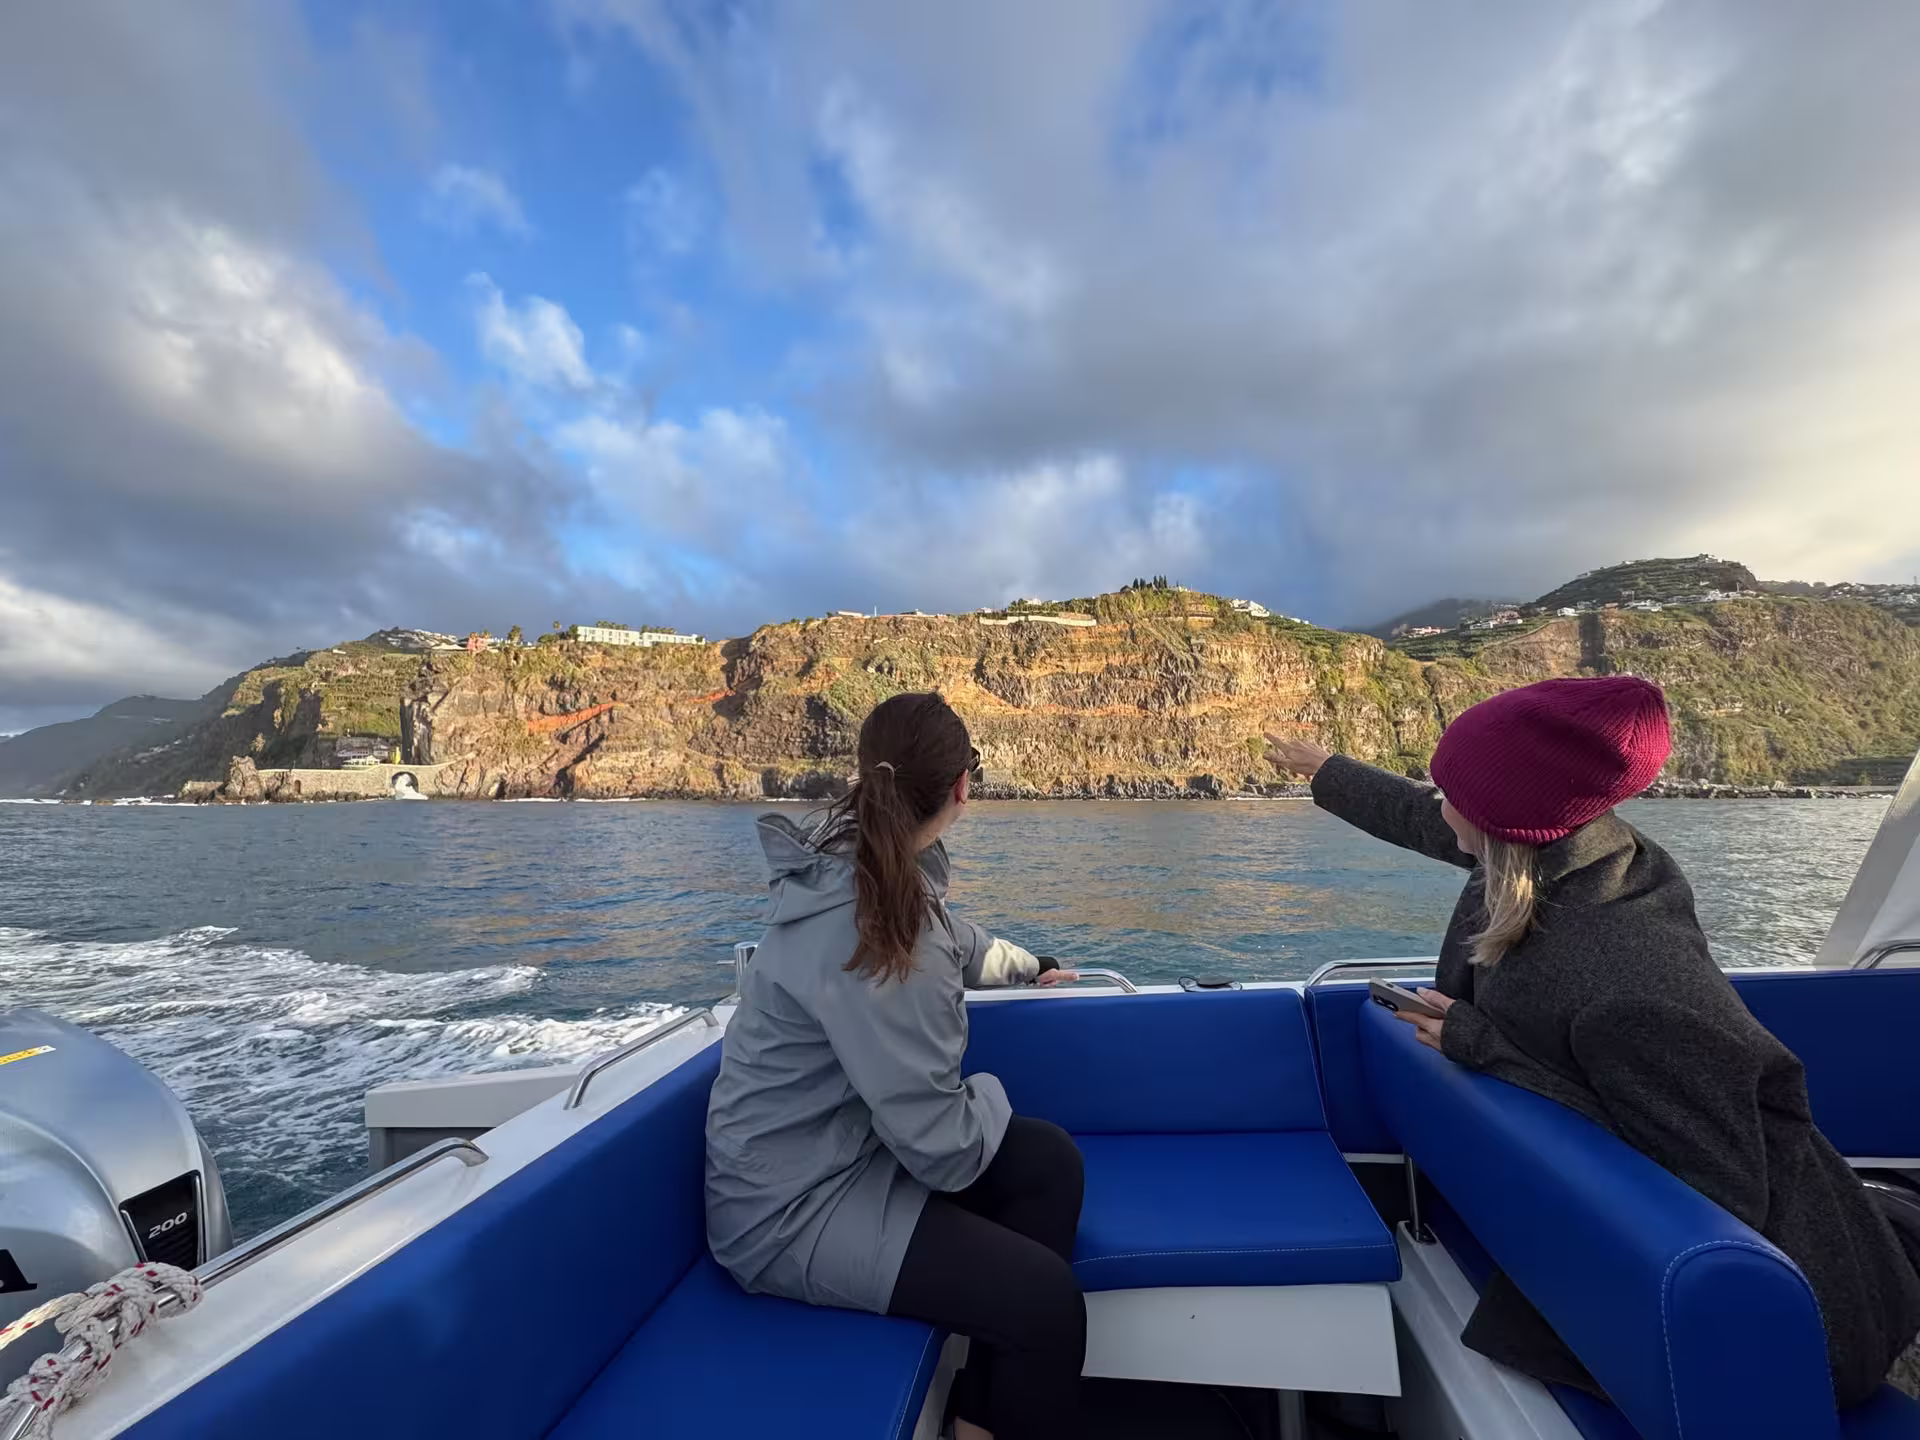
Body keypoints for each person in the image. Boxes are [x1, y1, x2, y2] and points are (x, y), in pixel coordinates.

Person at [1267, 675, 1920, 1408]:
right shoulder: (1556, 854)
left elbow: (1717, 1184)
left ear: (1507, 818)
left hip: (1795, 1319)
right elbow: (1435, 818)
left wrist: (1482, 1044)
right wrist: (1325, 769)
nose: (1440, 802)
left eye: (1452, 788)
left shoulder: (1629, 975)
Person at [707, 692, 1087, 1440]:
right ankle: (999, 1376)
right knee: (1049, 1307)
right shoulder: (885, 937)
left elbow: (959, 937)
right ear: (961, 788)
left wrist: (1027, 965)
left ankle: (979, 1406)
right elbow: (945, 1152)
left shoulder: (862, 865)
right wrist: (989, 1094)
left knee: (1049, 1164)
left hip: (843, 1152)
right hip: (788, 1210)